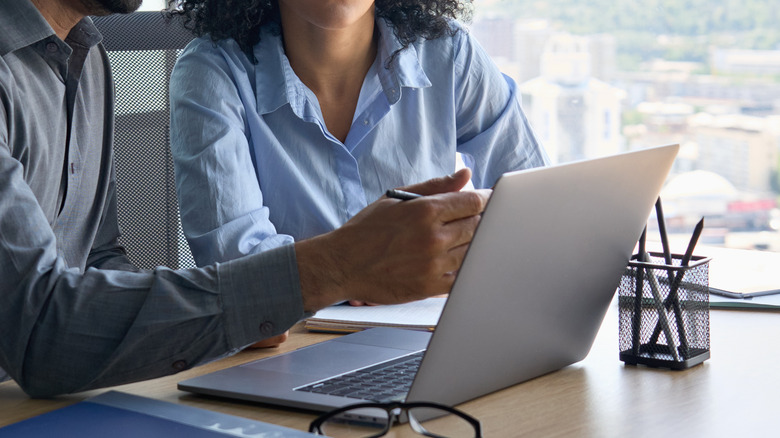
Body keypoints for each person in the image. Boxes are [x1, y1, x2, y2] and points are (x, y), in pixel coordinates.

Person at [0, 0, 490, 397]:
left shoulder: (87, 59)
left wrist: (222, 315)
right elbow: (40, 335)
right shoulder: (209, 69)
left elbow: (99, 260)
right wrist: (335, 266)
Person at [167, 0, 548, 270]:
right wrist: (358, 271)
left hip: (428, 335)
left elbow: (535, 211)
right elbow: (241, 279)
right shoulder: (210, 73)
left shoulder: (448, 51)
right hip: (288, 357)